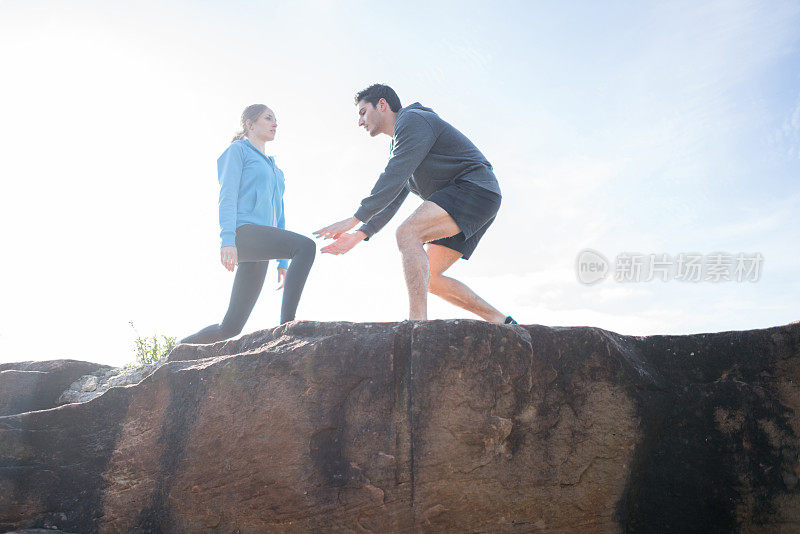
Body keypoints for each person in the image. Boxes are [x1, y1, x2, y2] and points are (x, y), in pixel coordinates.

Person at [314, 84, 516, 324]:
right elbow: (394, 196)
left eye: (362, 112)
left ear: (382, 104)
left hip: (474, 189)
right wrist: (359, 234)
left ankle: (417, 324)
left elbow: (393, 176)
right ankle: (500, 321)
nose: (360, 121)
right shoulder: (404, 143)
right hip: (475, 196)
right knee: (428, 278)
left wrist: (355, 217)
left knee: (408, 233)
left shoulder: (412, 121)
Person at [182, 104, 316, 344]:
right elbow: (228, 196)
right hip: (243, 233)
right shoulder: (238, 151)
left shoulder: (276, 169)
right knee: (306, 247)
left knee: (230, 327)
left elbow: (280, 213)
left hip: (261, 244)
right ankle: (288, 329)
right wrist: (228, 240)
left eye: (276, 119)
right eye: (268, 118)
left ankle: (178, 350)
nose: (275, 123)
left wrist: (283, 261)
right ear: (250, 124)